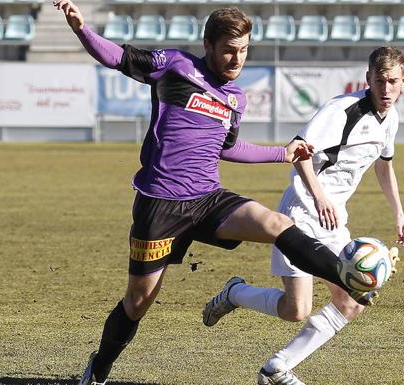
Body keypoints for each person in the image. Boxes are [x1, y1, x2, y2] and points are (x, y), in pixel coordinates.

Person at [53, 2, 375, 384]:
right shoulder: (175, 66)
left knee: (276, 222)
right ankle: (98, 370)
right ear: (208, 45)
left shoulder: (236, 98)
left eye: (243, 50)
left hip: (208, 199)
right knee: (138, 302)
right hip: (161, 205)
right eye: (228, 49)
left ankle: (346, 277)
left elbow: (227, 147)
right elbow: (118, 57)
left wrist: (281, 154)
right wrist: (81, 30)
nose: (236, 58)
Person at [203, 47, 404, 385]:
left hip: (334, 221)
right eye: (379, 81)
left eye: (392, 82)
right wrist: (320, 197)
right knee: (295, 309)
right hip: (301, 211)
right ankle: (235, 292)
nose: (386, 90)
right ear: (368, 80)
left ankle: (276, 368)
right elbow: (298, 149)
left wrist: (400, 215)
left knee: (353, 300)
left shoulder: (392, 119)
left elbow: (384, 166)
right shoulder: (343, 110)